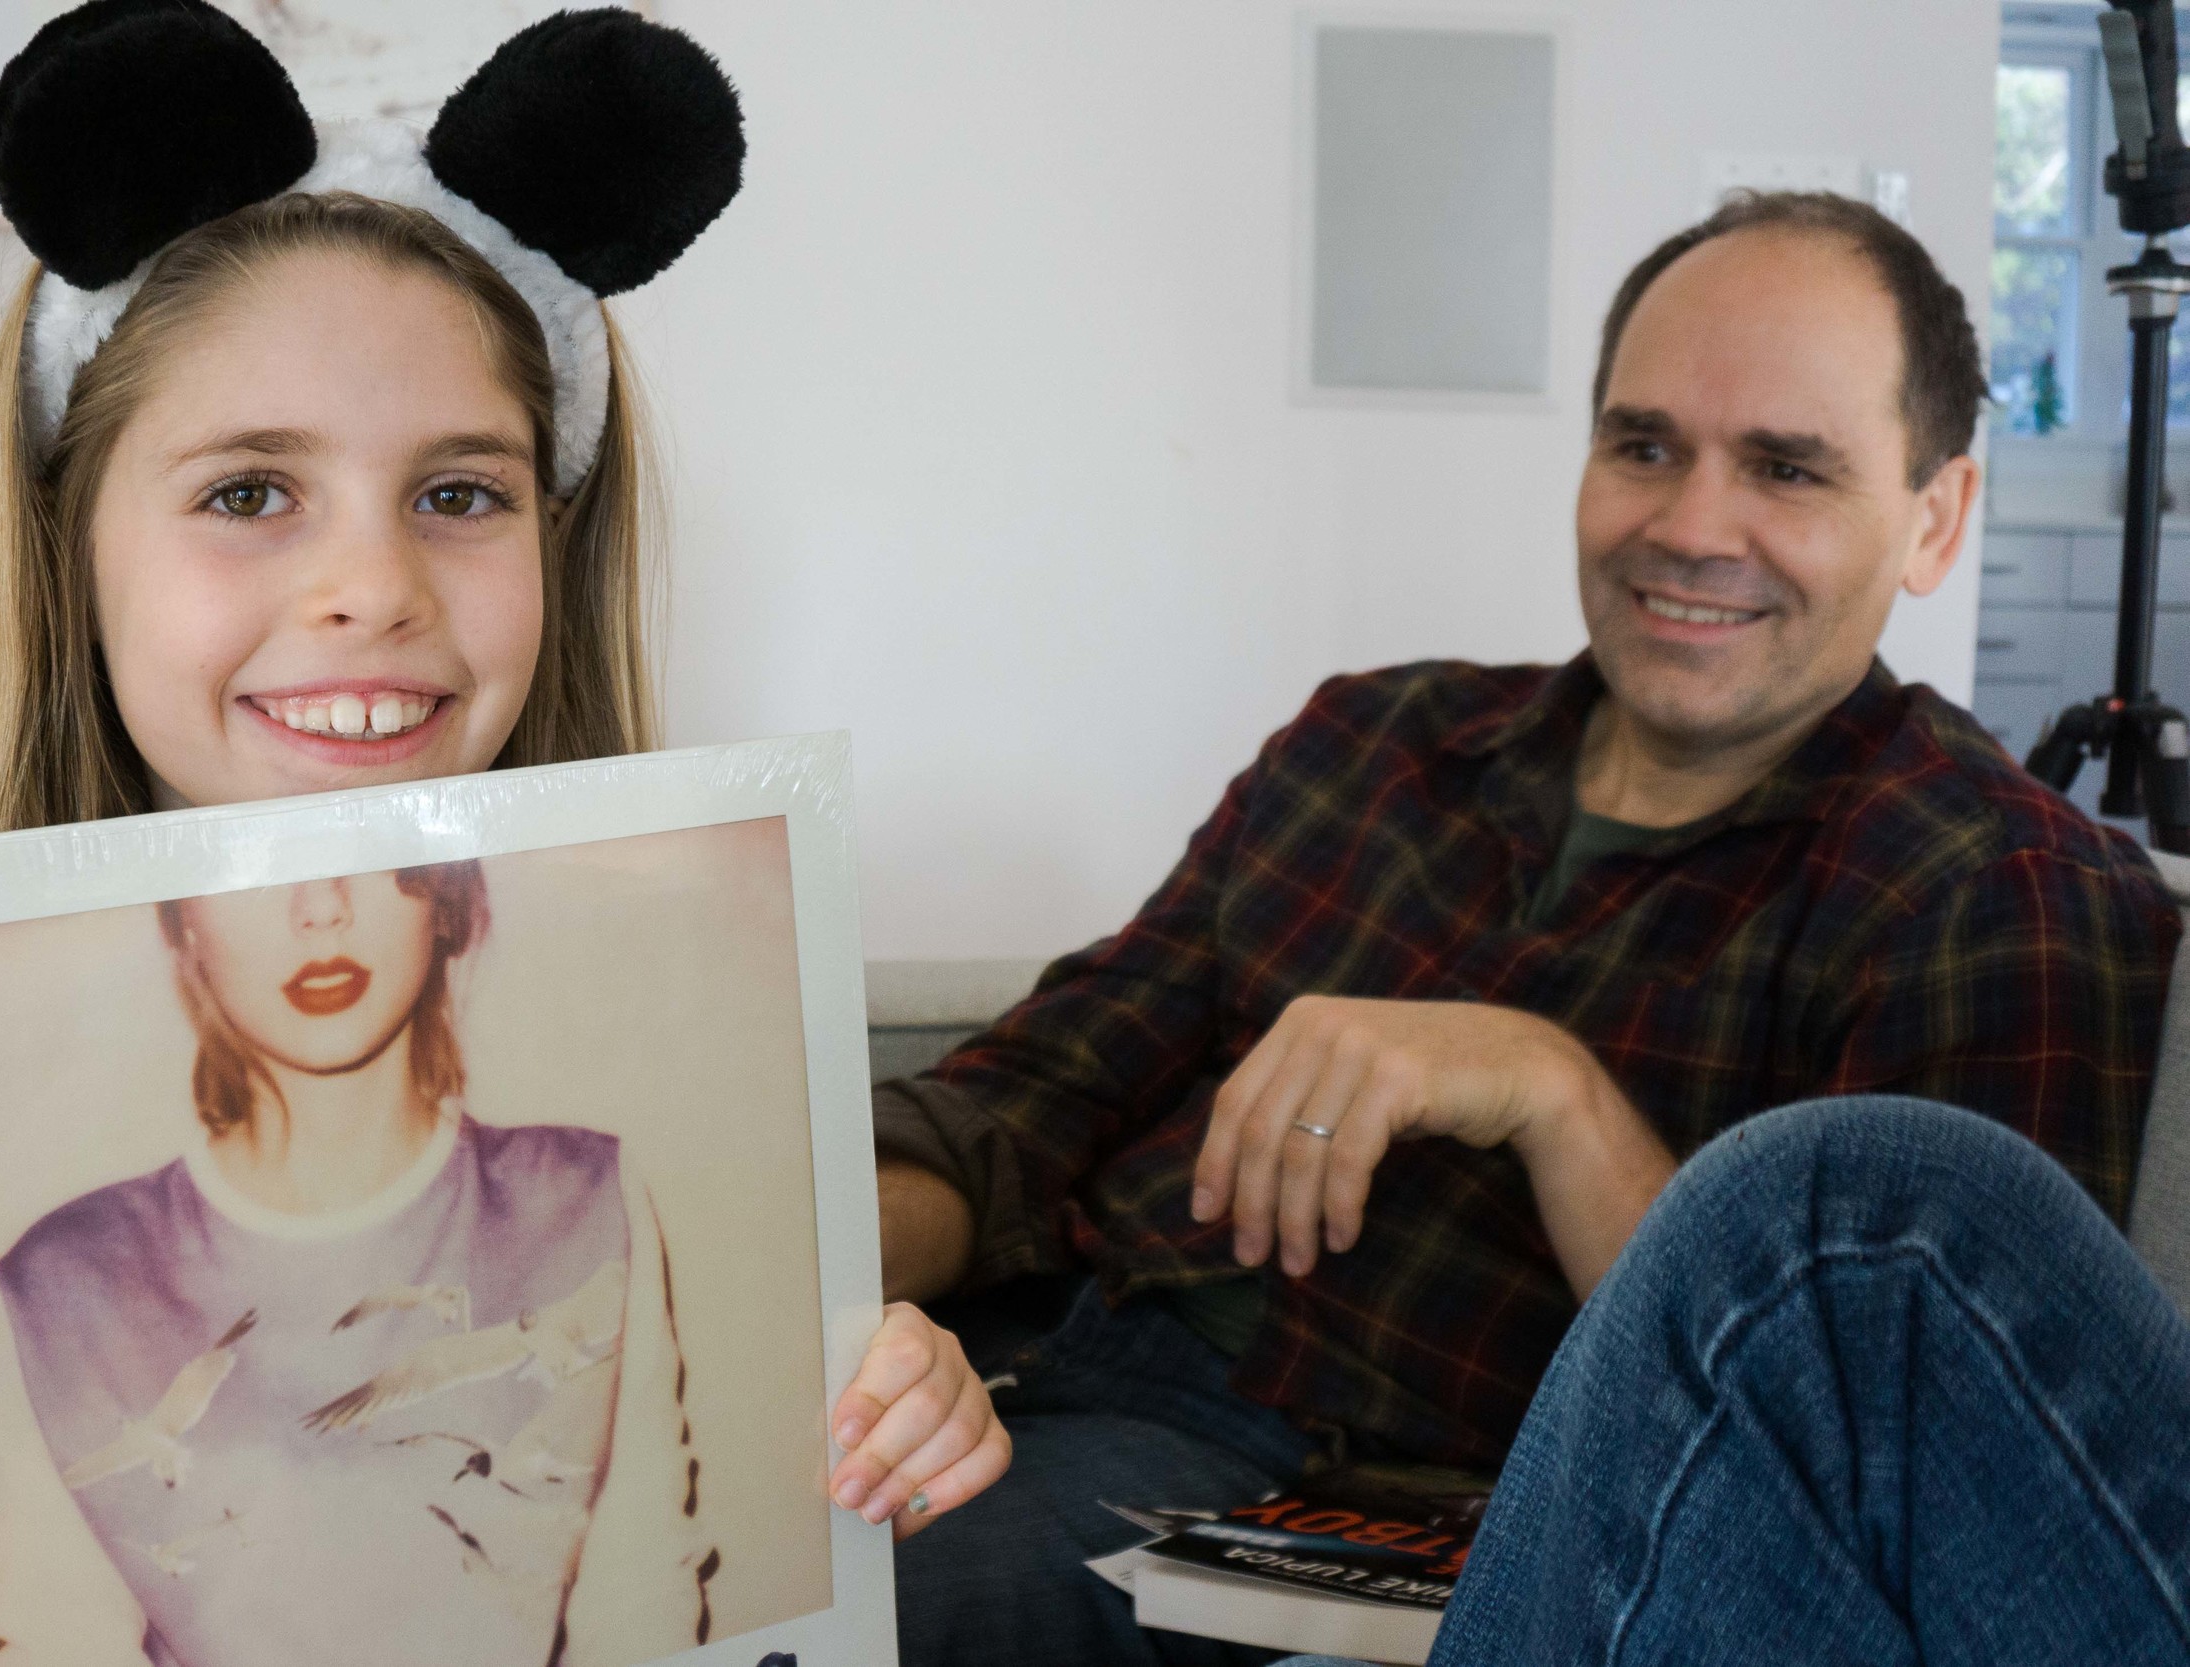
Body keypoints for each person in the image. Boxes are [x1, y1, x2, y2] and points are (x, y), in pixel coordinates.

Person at [0, 5, 1008, 1660]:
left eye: (459, 494)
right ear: (70, 545)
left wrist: (886, 1425)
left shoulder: (644, 1159)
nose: (372, 587)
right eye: (248, 492)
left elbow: (708, 1553)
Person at [871, 190, 2185, 1666]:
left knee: (827, 1628)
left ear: (1934, 515)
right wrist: (794, 1288)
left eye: (1786, 467)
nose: (1689, 527)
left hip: (1373, 1518)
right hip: (1007, 1363)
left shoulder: (1990, 887)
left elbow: (1892, 1451)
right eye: (1644, 447)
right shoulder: (1373, 741)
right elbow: (1027, 1101)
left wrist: (1553, 1093)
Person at [0, 861, 712, 1666]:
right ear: (182, 916)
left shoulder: (584, 1201)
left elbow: (640, 1606)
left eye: (370, 844)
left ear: (447, 897)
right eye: (251, 862)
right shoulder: (64, 1286)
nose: (321, 906)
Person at [1273, 1094, 2190, 1664]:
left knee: (1839, 1221)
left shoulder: (1963, 891)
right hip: (1229, 1383)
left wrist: (1560, 1099)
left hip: (1459, 1459)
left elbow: (1969, 1406)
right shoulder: (1344, 824)